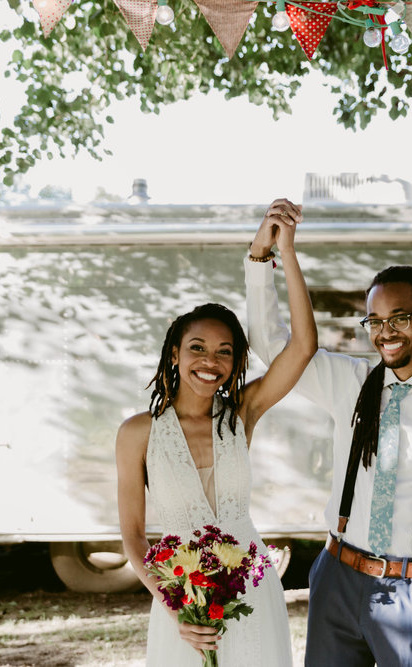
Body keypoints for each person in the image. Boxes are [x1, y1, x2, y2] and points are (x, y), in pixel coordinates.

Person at [245, 206, 412, 667]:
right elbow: (273, 345)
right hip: (336, 577)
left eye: (399, 317)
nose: (384, 331)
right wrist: (268, 257)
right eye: (374, 320)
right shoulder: (350, 383)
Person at [116, 198, 315, 666]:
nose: (211, 361)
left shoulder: (241, 413)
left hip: (253, 590)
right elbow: (133, 538)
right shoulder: (137, 433)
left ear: (235, 363)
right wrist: (175, 607)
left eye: (225, 352)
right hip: (180, 603)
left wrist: (282, 251)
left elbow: (304, 346)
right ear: (174, 355)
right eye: (198, 348)